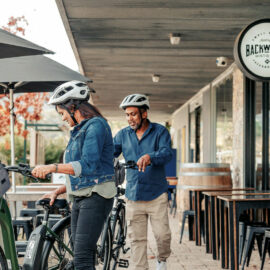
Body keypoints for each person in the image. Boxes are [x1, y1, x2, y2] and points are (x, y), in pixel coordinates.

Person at [32, 80, 117, 270]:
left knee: (83, 259)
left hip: (96, 197)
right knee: (80, 257)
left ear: (72, 106)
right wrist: (58, 190)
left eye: (61, 113)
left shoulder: (96, 126)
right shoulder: (79, 131)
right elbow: (81, 174)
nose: (62, 118)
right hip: (81, 197)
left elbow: (88, 165)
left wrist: (52, 167)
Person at [114, 94, 172, 270]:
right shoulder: (122, 135)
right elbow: (110, 153)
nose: (130, 119)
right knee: (137, 240)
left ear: (144, 114)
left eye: (133, 114)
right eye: (127, 115)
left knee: (162, 236)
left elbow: (167, 153)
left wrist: (149, 156)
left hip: (156, 195)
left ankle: (162, 260)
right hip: (133, 195)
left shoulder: (160, 131)